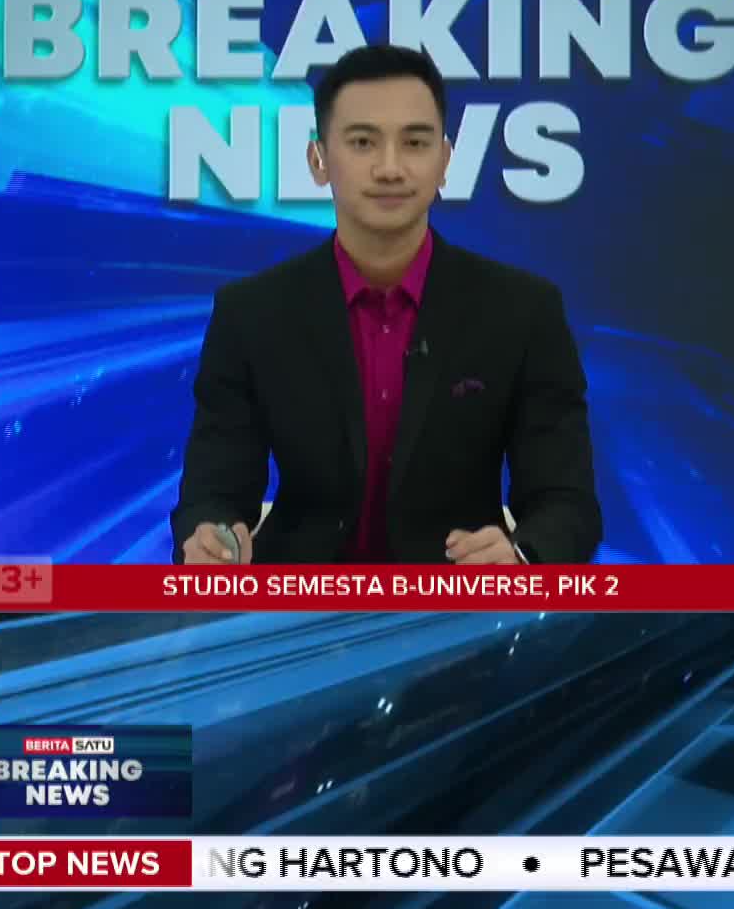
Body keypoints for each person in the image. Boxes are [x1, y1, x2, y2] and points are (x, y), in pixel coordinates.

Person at [171, 44, 602, 566]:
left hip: (458, 611)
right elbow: (213, 492)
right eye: (362, 142)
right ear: (318, 161)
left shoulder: (524, 311)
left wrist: (523, 557)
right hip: (293, 614)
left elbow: (568, 505)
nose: (390, 168)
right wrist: (212, 537)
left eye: (415, 143)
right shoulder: (250, 313)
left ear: (444, 162)